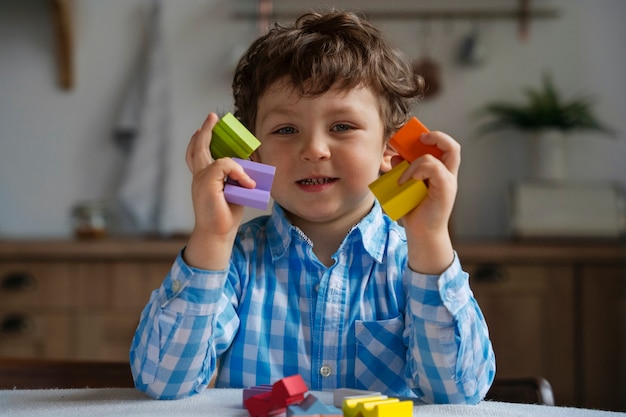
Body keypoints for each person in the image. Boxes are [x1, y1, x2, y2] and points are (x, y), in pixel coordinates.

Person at [130, 9, 495, 403]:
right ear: (253, 154)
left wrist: (430, 238)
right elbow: (162, 383)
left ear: (390, 148)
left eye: (342, 127)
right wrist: (212, 236)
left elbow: (459, 394)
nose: (314, 150)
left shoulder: (414, 262)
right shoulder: (234, 261)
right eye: (286, 130)